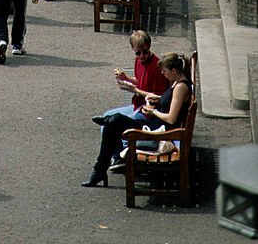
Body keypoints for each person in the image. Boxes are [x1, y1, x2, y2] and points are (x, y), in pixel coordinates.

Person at [83, 52, 193, 186]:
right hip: (157, 126)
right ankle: (100, 167)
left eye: (164, 71)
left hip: (161, 132)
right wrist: (158, 99)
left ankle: (99, 170)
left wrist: (153, 111)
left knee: (115, 121)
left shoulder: (180, 87)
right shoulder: (176, 82)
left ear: (174, 71)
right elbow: (171, 102)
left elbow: (171, 118)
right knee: (113, 123)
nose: (163, 74)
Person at [91, 31, 170, 170]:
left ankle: (119, 157)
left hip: (150, 112)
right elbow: (140, 82)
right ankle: (117, 156)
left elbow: (158, 97)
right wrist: (126, 79)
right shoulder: (139, 61)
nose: (141, 56)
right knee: (107, 117)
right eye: (137, 53)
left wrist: (135, 91)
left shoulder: (156, 68)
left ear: (149, 47)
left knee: (112, 124)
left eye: (145, 52)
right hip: (139, 105)